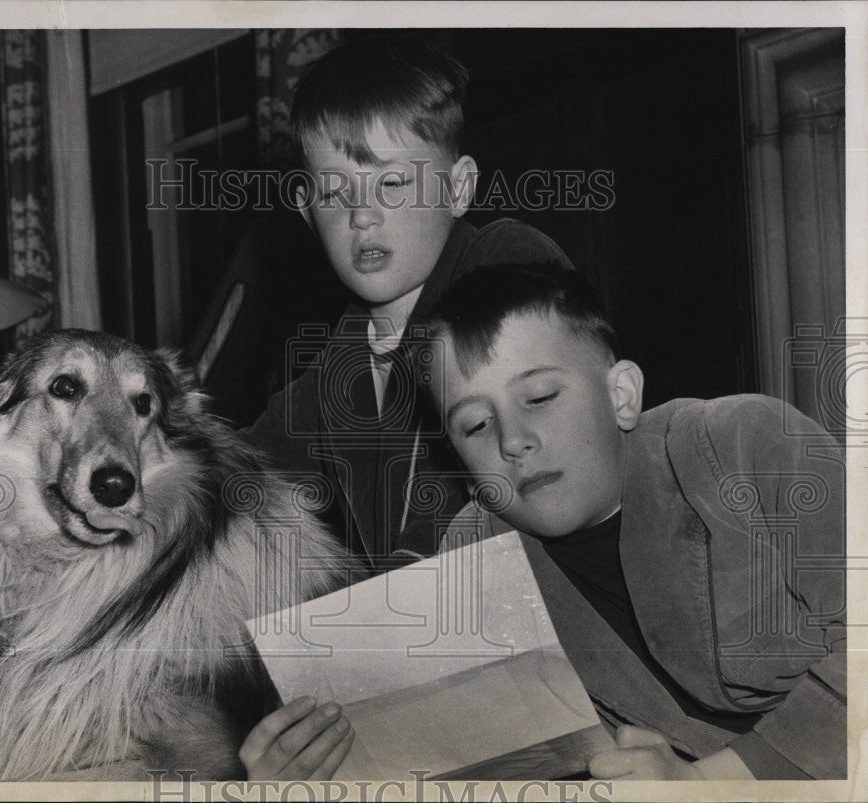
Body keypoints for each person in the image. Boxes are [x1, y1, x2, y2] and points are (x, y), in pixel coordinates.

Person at [420, 263, 846, 780]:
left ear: (620, 395)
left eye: (539, 397)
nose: (512, 440)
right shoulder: (469, 565)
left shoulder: (748, 443)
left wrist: (708, 785)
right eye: (476, 425)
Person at [244, 35, 574, 573]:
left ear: (459, 187)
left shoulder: (503, 264)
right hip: (431, 626)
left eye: (392, 183)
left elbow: (484, 459)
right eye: (333, 194)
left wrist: (402, 575)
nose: (362, 215)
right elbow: (244, 473)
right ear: (307, 215)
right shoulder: (332, 371)